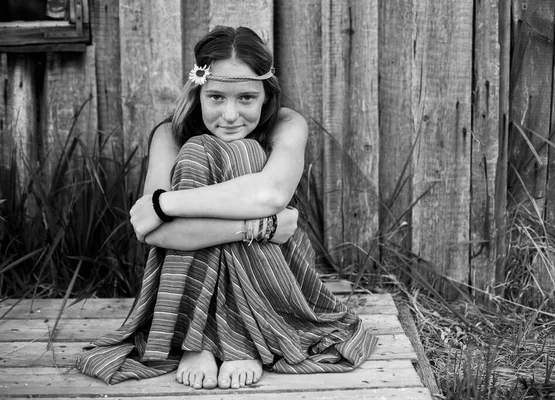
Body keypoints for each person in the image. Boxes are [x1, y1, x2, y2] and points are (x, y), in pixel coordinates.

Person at [75, 25, 377, 390]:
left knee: (247, 151)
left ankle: (241, 337)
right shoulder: (169, 135)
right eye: (216, 97)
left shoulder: (286, 124)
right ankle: (201, 337)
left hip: (273, 270)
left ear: (266, 95)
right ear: (197, 92)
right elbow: (157, 231)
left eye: (246, 98)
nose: (231, 115)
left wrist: (164, 202)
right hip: (262, 236)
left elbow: (270, 196)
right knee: (198, 150)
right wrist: (259, 227)